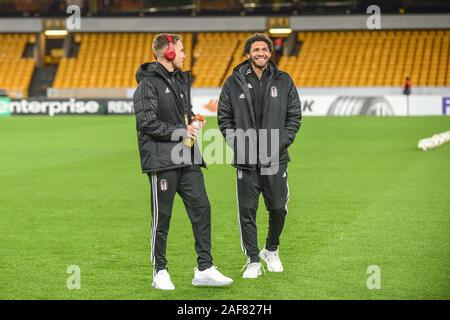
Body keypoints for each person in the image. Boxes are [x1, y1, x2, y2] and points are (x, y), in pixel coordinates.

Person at [132, 33, 233, 290]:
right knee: (162, 218)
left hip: (187, 158)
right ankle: (160, 271)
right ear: (167, 52)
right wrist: (181, 131)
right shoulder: (147, 85)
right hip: (162, 160)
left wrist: (193, 119)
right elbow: (147, 123)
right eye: (180, 50)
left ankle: (204, 268)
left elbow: (181, 115)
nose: (185, 55)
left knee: (202, 209)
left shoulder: (179, 81)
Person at [218, 33, 302, 279]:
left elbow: (294, 117)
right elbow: (224, 118)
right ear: (248, 54)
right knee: (247, 211)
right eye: (256, 50)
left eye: (264, 49)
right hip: (246, 160)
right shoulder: (232, 83)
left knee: (278, 208)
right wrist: (237, 143)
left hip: (276, 158)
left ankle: (271, 249)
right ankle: (253, 259)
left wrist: (280, 143)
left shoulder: (284, 81)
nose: (261, 53)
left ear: (270, 53)